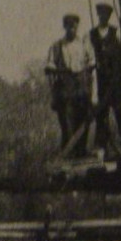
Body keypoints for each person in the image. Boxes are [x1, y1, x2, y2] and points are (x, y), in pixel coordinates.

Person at [45, 14, 94, 155]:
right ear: (64, 27)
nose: (72, 29)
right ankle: (68, 153)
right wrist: (55, 70)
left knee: (83, 120)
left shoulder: (84, 44)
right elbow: (50, 65)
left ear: (77, 27)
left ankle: (82, 151)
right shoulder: (56, 46)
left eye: (74, 26)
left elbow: (91, 62)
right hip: (65, 89)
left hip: (81, 88)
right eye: (69, 26)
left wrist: (87, 73)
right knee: (67, 123)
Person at [88, 2, 121, 152]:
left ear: (109, 16)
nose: (103, 16)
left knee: (120, 111)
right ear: (98, 15)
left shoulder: (115, 32)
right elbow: (90, 56)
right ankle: (102, 146)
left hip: (115, 78)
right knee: (101, 113)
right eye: (101, 14)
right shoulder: (92, 34)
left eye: (106, 14)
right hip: (100, 79)